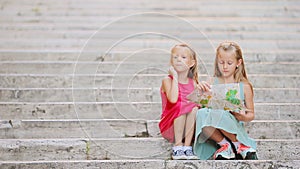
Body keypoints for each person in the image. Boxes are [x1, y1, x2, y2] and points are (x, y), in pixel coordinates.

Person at [194, 41, 257, 160]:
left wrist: (241, 116)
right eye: (221, 62)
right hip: (215, 125)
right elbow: (202, 105)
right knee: (201, 113)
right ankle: (225, 145)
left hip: (233, 124)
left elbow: (251, 114)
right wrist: (201, 91)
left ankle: (239, 144)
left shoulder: (245, 86)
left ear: (238, 63)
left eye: (229, 63)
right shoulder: (212, 81)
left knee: (220, 112)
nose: (225, 67)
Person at [159, 43, 199, 160]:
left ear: (191, 63)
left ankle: (187, 147)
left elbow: (197, 102)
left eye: (183, 57)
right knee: (181, 106)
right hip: (170, 125)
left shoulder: (193, 82)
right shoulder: (167, 80)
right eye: (175, 57)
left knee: (194, 108)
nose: (178, 60)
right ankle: (178, 147)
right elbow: (173, 99)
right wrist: (175, 77)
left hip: (189, 127)